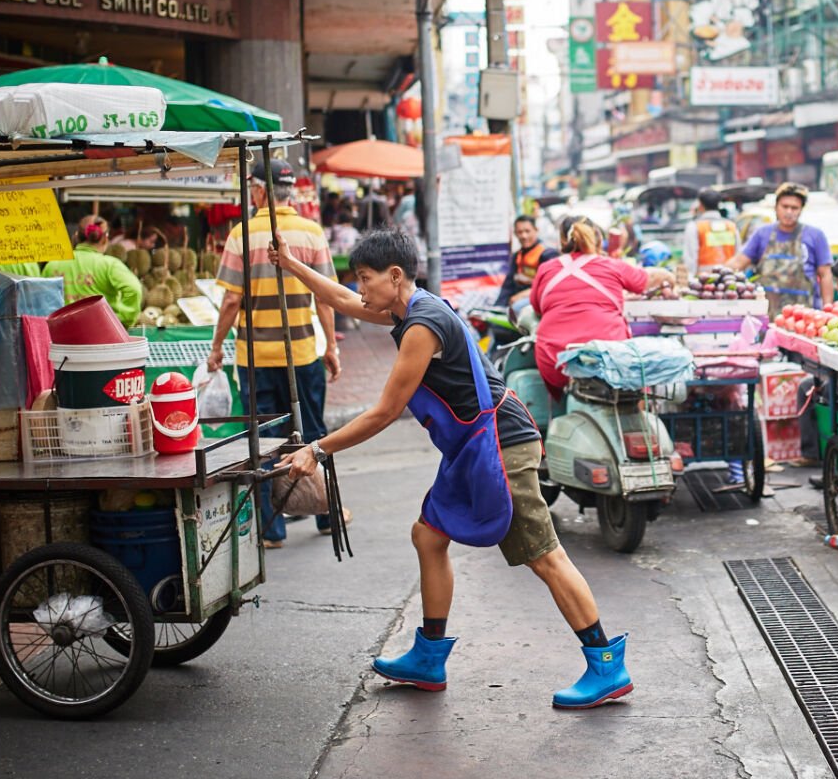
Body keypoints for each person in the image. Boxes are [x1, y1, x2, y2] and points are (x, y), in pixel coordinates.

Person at [268, 227, 634, 709]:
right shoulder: (407, 307)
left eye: (366, 278)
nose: (361, 289)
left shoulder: (422, 326)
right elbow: (342, 299)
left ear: (394, 276)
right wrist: (291, 264)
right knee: (429, 536)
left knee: (543, 555)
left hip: (501, 443)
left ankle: (606, 664)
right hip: (473, 446)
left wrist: (315, 450)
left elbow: (383, 412)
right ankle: (428, 657)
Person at [207, 163, 343, 549]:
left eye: (253, 188)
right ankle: (328, 516)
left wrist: (217, 347)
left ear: (261, 193)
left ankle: (272, 530)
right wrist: (331, 346)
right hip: (302, 353)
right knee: (314, 434)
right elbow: (325, 297)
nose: (251, 194)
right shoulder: (311, 232)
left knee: (265, 439)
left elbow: (232, 298)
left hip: (255, 356)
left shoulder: (241, 234)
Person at [530, 218, 674, 397]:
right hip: (610, 356)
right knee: (635, 387)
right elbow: (648, 279)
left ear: (563, 241)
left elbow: (536, 308)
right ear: (598, 241)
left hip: (556, 360)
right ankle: (638, 414)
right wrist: (669, 276)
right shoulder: (611, 265)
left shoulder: (546, 269)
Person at [726, 183, 834, 319]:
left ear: (801, 210)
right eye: (785, 207)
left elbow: (825, 275)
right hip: (768, 315)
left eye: (794, 208)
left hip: (803, 317)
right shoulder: (762, 234)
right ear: (776, 207)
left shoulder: (815, 235)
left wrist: (827, 310)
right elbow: (739, 262)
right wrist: (714, 276)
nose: (789, 212)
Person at [40, 217, 143, 326]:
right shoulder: (110, 265)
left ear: (76, 236)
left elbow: (41, 299)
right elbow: (134, 289)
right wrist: (122, 319)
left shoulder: (52, 265)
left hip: (62, 333)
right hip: (100, 332)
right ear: (105, 239)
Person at [499, 214, 556, 310]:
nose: (524, 236)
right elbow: (507, 285)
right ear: (515, 234)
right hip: (517, 297)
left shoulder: (547, 254)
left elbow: (549, 285)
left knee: (516, 308)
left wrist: (522, 295)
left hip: (538, 299)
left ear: (536, 230)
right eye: (520, 232)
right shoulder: (517, 256)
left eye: (527, 231)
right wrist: (497, 307)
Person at [681, 189, 740, 276]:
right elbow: (738, 254)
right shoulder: (731, 226)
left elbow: (690, 258)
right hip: (728, 280)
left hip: (704, 281)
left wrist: (691, 279)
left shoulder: (694, 227)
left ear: (700, 205)